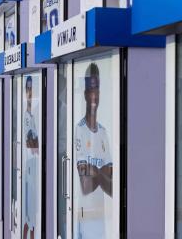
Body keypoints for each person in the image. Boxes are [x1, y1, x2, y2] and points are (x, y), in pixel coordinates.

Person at [75, 63, 112, 239]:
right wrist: (102, 174)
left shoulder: (104, 133)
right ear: (85, 95)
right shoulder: (79, 130)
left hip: (100, 213)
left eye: (97, 90)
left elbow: (112, 186)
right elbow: (85, 184)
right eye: (91, 91)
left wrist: (94, 172)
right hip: (82, 211)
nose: (94, 96)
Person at [23, 76, 39, 239]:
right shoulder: (24, 114)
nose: (30, 93)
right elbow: (32, 145)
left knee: (33, 214)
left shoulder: (34, 114)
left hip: (34, 166)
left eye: (32, 89)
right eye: (28, 89)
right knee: (28, 215)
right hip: (27, 166)